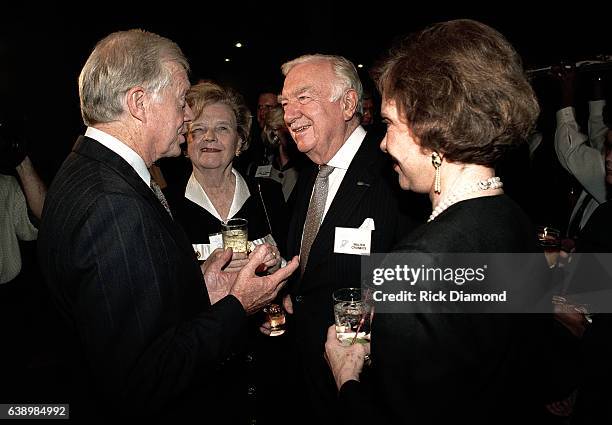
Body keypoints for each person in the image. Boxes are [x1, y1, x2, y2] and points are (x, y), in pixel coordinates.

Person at [37, 29, 298, 422]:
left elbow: (131, 312)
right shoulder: (114, 203)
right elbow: (142, 379)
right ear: (139, 103)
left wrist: (197, 287)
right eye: (181, 102)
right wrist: (237, 306)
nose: (190, 117)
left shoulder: (87, 169)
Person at [324, 19, 555, 424]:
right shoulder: (514, 219)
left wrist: (347, 377)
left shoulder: (412, 267)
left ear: (433, 132)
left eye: (389, 124)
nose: (382, 143)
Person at [274, 53, 416, 423]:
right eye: (285, 103)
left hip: (367, 386)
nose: (289, 115)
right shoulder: (310, 175)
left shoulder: (395, 174)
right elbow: (312, 263)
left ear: (349, 103)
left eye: (304, 98)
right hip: (308, 376)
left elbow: (419, 282)